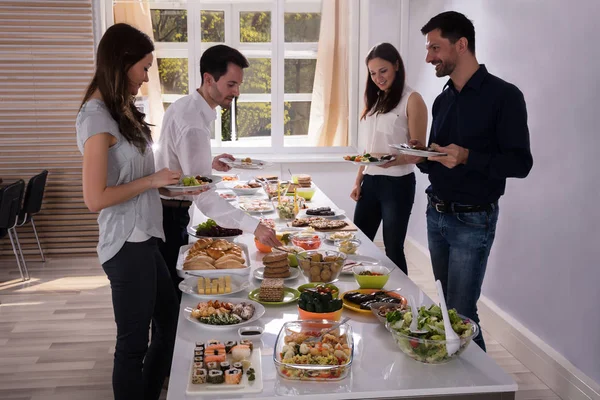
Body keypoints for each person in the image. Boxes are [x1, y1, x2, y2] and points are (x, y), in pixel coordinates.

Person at [75, 23, 185, 399]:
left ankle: (151, 392)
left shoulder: (119, 108)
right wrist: (152, 182)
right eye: (144, 67)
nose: (146, 76)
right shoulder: (95, 119)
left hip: (146, 236)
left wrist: (166, 184)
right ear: (122, 64)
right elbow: (95, 198)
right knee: (132, 346)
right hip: (125, 244)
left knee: (170, 323)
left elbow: (137, 175)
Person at [417, 11, 533, 350]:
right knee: (445, 311)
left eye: (435, 48)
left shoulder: (505, 96)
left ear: (462, 45)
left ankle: (482, 387)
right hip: (435, 214)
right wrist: (421, 157)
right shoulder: (442, 99)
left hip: (473, 219)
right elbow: (440, 161)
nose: (428, 58)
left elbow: (521, 163)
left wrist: (468, 156)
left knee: (461, 314)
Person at [155, 44, 281, 295]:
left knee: (167, 295)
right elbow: (204, 196)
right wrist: (255, 227)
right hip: (169, 215)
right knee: (171, 300)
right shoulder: (193, 125)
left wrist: (208, 162)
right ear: (208, 79)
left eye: (239, 85)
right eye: (231, 84)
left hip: (166, 211)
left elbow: (178, 160)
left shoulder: (185, 106)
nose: (236, 92)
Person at [351, 43, 428, 275]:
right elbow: (369, 148)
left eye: (382, 71)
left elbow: (419, 152)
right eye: (373, 73)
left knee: (393, 248)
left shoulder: (412, 99)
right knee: (359, 245)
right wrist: (358, 180)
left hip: (397, 184)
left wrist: (394, 160)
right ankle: (361, 295)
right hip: (371, 181)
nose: (378, 78)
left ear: (396, 65)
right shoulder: (375, 100)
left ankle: (400, 304)